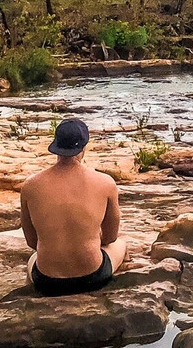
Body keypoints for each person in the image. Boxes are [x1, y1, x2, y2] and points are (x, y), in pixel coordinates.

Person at [20, 117, 127, 296]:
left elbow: (32, 242)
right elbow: (110, 237)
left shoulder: (30, 185)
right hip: (93, 276)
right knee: (122, 244)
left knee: (33, 257)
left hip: (46, 281)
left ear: (55, 145)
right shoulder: (105, 182)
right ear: (84, 147)